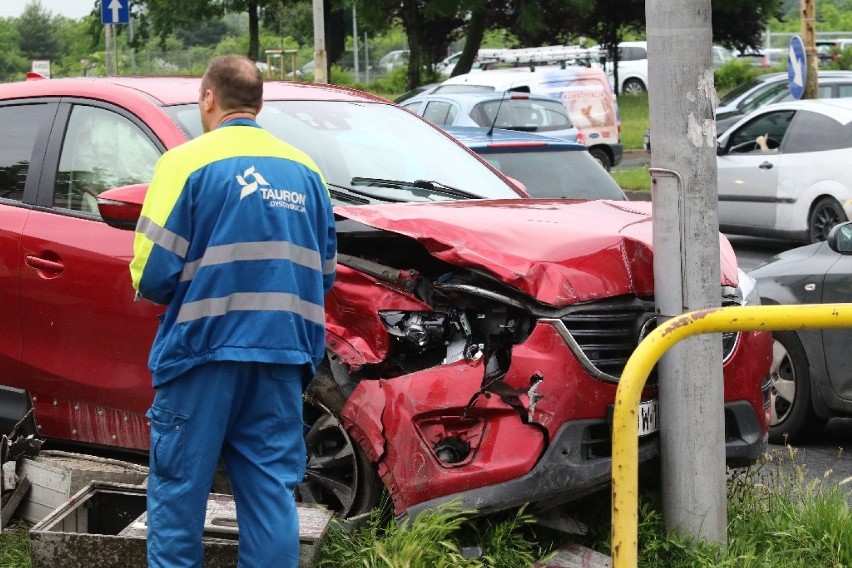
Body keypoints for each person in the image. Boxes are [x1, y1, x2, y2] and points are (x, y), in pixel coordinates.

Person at [130, 54, 337, 568]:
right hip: (282, 356)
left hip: (201, 354)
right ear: (259, 103)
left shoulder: (185, 163)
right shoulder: (307, 172)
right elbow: (324, 275)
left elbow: (153, 275)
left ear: (208, 99)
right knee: (271, 496)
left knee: (179, 492)